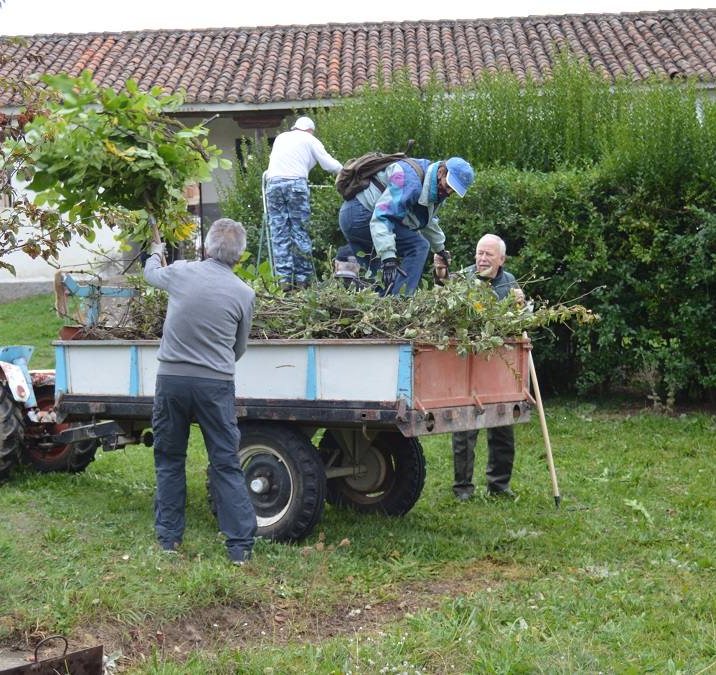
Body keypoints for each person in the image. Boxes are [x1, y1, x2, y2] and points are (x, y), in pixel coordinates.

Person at [143, 218, 258, 564]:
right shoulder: (244, 293)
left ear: (207, 247)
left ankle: (169, 539)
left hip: (172, 382)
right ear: (238, 257)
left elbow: (151, 274)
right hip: (216, 385)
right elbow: (239, 349)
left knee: (169, 459)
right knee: (225, 462)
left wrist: (155, 252)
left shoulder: (179, 273)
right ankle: (239, 547)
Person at [452, 234, 526, 500]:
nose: (482, 258)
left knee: (503, 423)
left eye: (488, 255)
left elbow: (521, 323)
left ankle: (499, 484)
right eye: (479, 253)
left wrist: (522, 305)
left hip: (498, 364)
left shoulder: (510, 282)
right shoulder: (461, 280)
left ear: (501, 260)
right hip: (468, 362)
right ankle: (463, 487)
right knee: (465, 426)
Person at [338, 156, 474, 296]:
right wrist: (388, 257)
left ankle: (384, 310)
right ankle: (402, 303)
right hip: (361, 214)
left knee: (384, 282)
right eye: (448, 186)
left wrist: (440, 250)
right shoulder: (409, 181)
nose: (448, 192)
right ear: (441, 172)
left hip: (353, 217)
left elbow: (427, 220)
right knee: (418, 246)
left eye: (454, 191)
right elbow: (381, 216)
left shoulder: (431, 187)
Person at [264, 116, 342, 289]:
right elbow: (329, 164)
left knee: (279, 232)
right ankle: (303, 280)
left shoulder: (281, 138)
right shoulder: (309, 139)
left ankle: (283, 281)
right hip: (295, 185)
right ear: (310, 130)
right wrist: (345, 171)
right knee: (299, 231)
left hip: (273, 185)